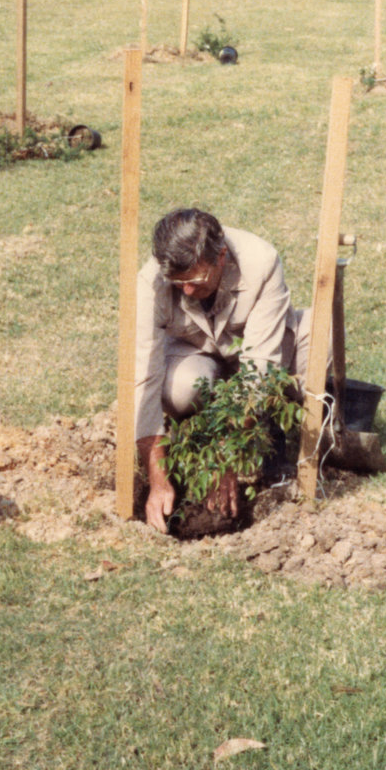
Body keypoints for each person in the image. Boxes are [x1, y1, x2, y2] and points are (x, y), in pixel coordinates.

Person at [135, 207, 315, 532]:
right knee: (181, 388)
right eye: (179, 284)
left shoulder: (260, 262)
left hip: (257, 352)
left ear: (220, 257)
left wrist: (226, 458)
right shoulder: (152, 280)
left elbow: (261, 367)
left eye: (195, 281)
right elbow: (142, 375)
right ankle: (194, 436)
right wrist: (157, 479)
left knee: (317, 340)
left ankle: (274, 433)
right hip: (198, 356)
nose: (186, 291)